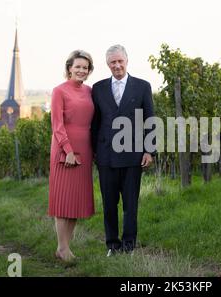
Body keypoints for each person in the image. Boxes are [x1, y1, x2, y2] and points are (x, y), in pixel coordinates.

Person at [92, 44, 155, 256]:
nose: (117, 65)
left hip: (133, 155)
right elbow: (95, 122)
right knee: (109, 204)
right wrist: (94, 152)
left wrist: (149, 150)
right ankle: (112, 245)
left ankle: (129, 246)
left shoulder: (142, 86)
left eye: (120, 61)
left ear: (127, 61)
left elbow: (150, 120)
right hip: (106, 156)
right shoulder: (98, 88)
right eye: (113, 62)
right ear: (108, 64)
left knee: (130, 204)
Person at [48, 50, 95, 262]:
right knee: (63, 200)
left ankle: (66, 248)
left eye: (85, 67)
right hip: (64, 149)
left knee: (76, 201)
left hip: (85, 149)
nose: (81, 70)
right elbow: (57, 124)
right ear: (69, 68)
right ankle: (62, 247)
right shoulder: (59, 91)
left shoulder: (89, 91)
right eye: (78, 66)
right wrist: (67, 150)